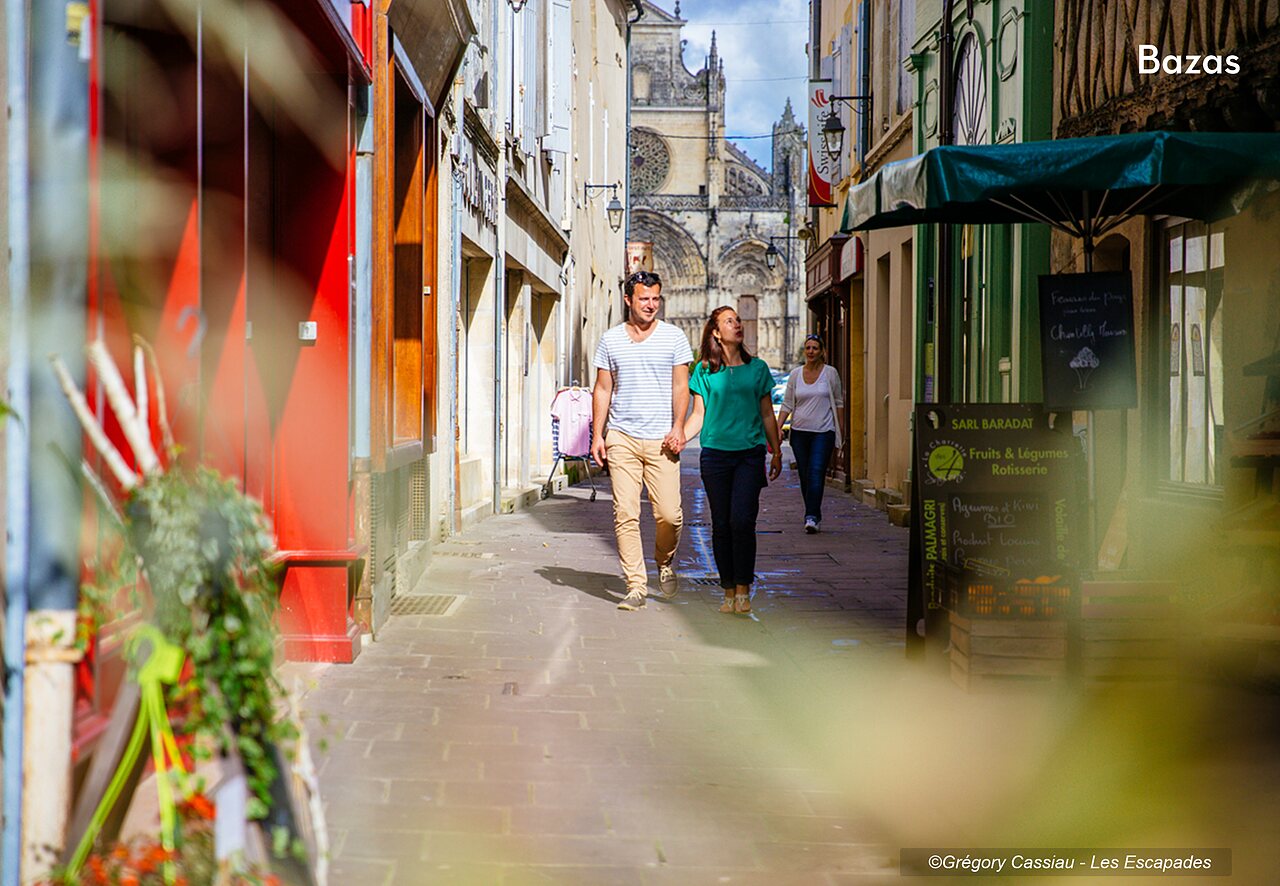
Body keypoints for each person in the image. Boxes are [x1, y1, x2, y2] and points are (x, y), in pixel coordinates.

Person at [591, 271, 693, 611]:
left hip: (663, 439)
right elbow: (603, 389)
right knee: (626, 512)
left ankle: (664, 560)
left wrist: (678, 427)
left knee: (670, 515)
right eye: (644, 299)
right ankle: (636, 584)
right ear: (628, 300)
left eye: (655, 299)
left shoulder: (674, 337)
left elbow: (681, 386)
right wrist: (597, 435)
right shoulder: (611, 340)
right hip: (622, 437)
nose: (651, 305)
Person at [678, 306, 782, 614]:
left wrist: (775, 450)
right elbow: (698, 415)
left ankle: (743, 589)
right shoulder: (703, 371)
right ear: (715, 332)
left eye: (738, 320)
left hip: (749, 455)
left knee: (742, 521)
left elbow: (767, 413)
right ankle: (727, 589)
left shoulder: (758, 369)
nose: (737, 324)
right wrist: (680, 437)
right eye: (729, 321)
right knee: (721, 524)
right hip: (715, 457)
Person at [776, 333, 844, 534]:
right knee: (806, 475)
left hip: (823, 431)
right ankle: (813, 513)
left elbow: (838, 403)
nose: (811, 351)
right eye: (808, 348)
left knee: (815, 472)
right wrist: (778, 427)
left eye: (815, 348)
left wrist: (841, 430)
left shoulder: (830, 373)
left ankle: (811, 516)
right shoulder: (796, 374)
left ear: (822, 351)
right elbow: (788, 403)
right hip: (799, 432)